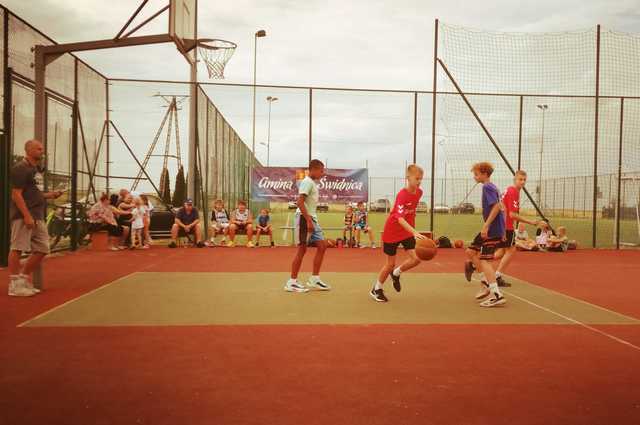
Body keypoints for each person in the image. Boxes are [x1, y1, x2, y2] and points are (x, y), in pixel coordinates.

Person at [7, 139, 63, 296]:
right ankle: (14, 284)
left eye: (42, 149)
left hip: (37, 216)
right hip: (24, 216)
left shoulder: (35, 170)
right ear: (28, 150)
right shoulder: (21, 168)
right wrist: (26, 216)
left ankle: (23, 278)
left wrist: (50, 195)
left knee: (43, 248)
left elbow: (34, 193)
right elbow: (16, 194)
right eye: (38, 149)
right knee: (17, 248)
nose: (42, 151)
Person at [370, 164, 427, 302]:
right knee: (390, 264)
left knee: (416, 259)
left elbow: (408, 211)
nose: (419, 181)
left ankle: (396, 274)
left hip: (407, 232)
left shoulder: (419, 193)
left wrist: (411, 228)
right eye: (417, 178)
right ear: (408, 178)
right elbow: (400, 218)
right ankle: (376, 289)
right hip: (393, 232)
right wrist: (414, 231)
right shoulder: (402, 195)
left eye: (421, 179)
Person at [463, 162, 506, 307]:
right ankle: (485, 282)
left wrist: (486, 226)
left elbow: (496, 207)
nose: (474, 177)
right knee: (470, 251)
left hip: (491, 229)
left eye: (476, 174)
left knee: (484, 261)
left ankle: (496, 294)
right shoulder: (492, 187)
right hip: (494, 227)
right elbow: (502, 208)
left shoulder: (487, 187)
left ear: (484, 174)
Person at [284, 159, 330, 292]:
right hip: (304, 219)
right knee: (302, 249)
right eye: (321, 170)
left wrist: (312, 220)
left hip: (312, 218)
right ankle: (291, 282)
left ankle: (314, 279)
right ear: (314, 169)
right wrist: (308, 220)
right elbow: (299, 202)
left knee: (322, 245)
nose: (323, 173)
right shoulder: (307, 182)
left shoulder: (312, 183)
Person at [492, 170, 543, 287]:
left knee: (500, 252)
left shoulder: (510, 190)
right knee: (511, 250)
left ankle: (475, 264)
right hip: (506, 225)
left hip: (501, 224)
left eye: (524, 180)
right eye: (520, 179)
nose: (523, 182)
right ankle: (497, 276)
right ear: (515, 180)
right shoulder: (513, 191)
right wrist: (531, 221)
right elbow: (512, 215)